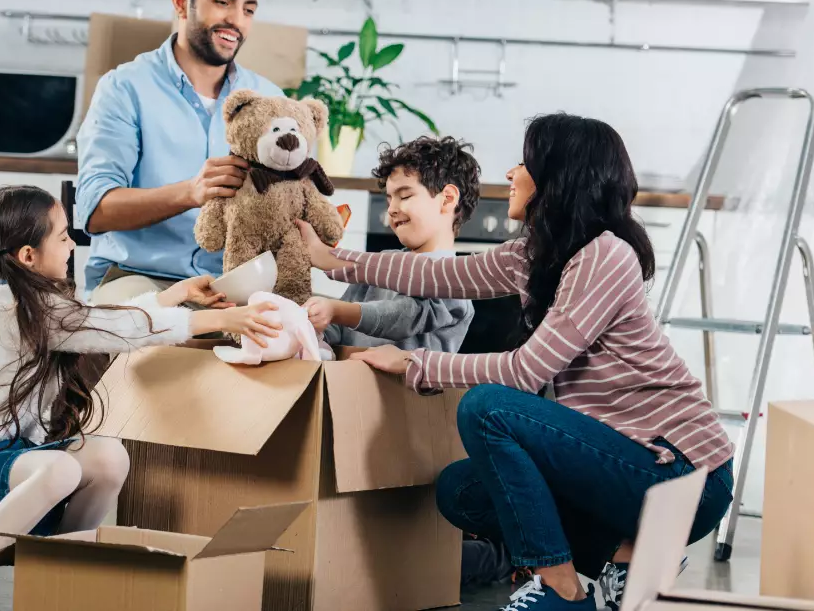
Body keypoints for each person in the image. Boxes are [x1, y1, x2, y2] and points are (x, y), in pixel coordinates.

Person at [297, 113, 734, 611]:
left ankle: (559, 590)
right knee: (461, 492)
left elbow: (527, 371)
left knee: (486, 407)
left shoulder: (605, 256)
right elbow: (438, 276)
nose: (509, 174)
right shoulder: (535, 254)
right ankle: (623, 560)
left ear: (558, 177)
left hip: (682, 473)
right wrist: (334, 260)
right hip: (623, 460)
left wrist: (416, 364)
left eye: (524, 163)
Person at [0, 186, 281, 611]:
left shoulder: (34, 301)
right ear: (28, 255)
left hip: (10, 460)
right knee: (60, 468)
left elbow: (98, 319)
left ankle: (62, 569)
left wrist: (174, 295)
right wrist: (219, 318)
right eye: (62, 236)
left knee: (108, 457)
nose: (71, 244)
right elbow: (112, 330)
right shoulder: (15, 312)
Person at [76, 0, 285, 305]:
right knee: (149, 337)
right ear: (180, 2)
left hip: (235, 284)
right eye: (222, 2)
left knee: (304, 342)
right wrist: (190, 192)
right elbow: (94, 212)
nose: (236, 21)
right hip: (139, 278)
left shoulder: (270, 100)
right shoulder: (124, 88)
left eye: (248, 9)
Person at [304, 136, 477, 353]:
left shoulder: (455, 282)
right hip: (347, 382)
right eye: (389, 199)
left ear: (448, 199)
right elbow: (337, 328)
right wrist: (311, 326)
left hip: (399, 388)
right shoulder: (379, 264)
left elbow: (402, 317)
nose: (392, 209)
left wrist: (335, 310)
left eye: (404, 196)